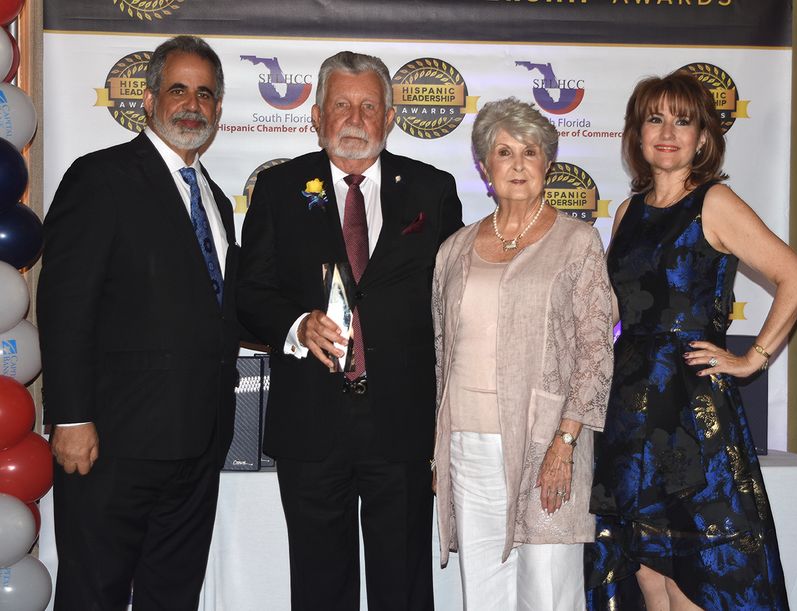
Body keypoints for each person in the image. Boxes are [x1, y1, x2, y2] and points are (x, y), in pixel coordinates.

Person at [237, 50, 463, 610]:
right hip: (311, 423)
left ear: (390, 118)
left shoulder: (432, 190)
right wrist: (294, 323)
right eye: (341, 104)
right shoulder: (278, 188)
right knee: (318, 586)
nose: (355, 119)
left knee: (403, 587)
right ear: (316, 115)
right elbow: (247, 294)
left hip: (402, 424)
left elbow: (458, 299)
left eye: (369, 106)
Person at [586, 70, 797, 610]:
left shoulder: (714, 202)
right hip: (629, 410)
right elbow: (614, 310)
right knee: (646, 571)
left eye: (683, 120)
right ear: (636, 135)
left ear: (702, 136)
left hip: (691, 412)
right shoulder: (626, 212)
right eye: (655, 119)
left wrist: (751, 360)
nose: (668, 131)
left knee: (695, 573)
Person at [37, 35, 240, 610]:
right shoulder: (100, 179)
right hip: (113, 446)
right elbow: (65, 303)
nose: (192, 105)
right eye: (178, 89)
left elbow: (221, 310)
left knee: (172, 595)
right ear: (149, 100)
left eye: (205, 93)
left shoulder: (217, 202)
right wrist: (71, 417)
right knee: (94, 593)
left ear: (219, 110)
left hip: (199, 444)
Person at [432, 97, 614, 610]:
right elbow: (443, 353)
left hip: (547, 443)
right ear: (484, 168)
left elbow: (596, 350)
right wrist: (438, 445)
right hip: (467, 444)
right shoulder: (454, 249)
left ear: (547, 165)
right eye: (503, 152)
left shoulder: (577, 242)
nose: (516, 164)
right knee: (483, 590)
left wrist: (566, 442)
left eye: (530, 152)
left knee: (548, 590)